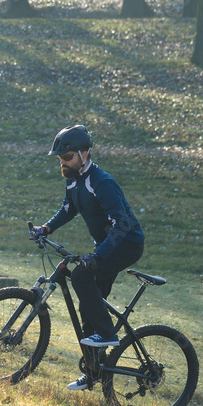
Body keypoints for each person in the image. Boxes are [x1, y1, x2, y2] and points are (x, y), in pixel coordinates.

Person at [30, 125, 145, 391]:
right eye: (60, 158)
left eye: (67, 157)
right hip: (106, 245)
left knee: (81, 275)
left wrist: (97, 255)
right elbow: (68, 209)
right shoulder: (73, 179)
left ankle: (108, 334)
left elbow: (122, 223)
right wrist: (46, 228)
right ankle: (95, 372)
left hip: (125, 244)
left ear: (85, 154)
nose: (63, 162)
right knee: (88, 307)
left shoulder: (101, 182)